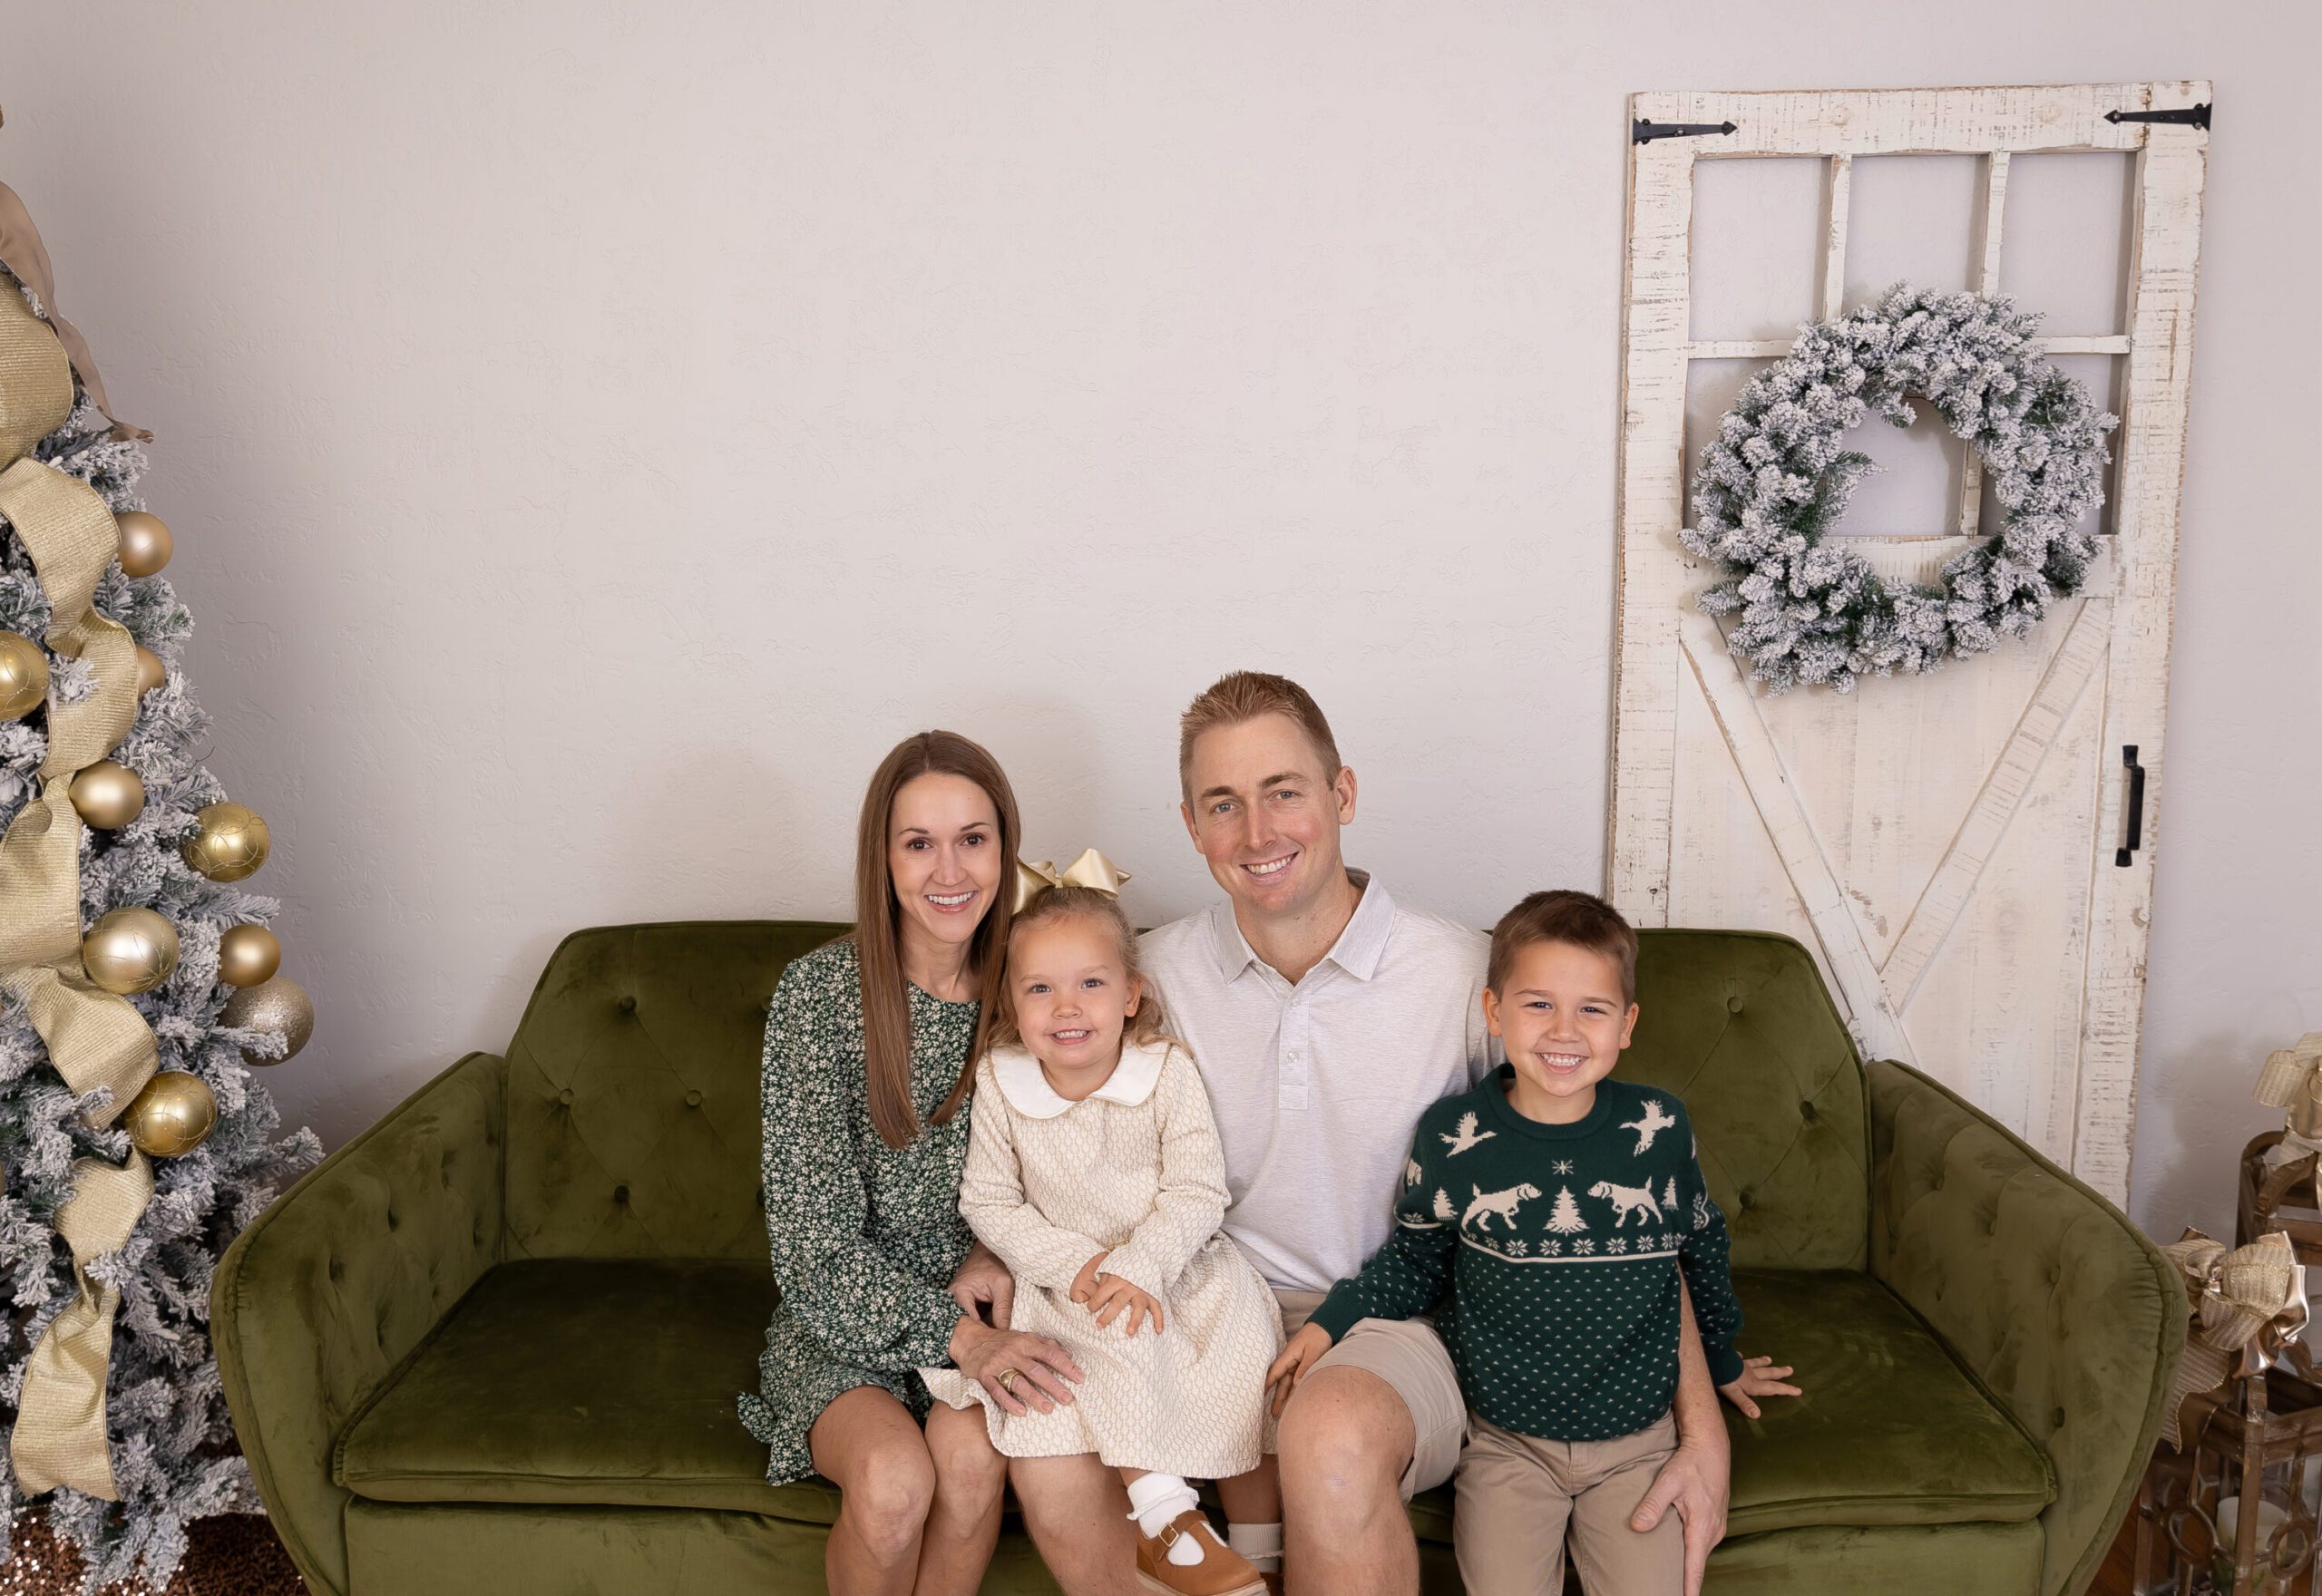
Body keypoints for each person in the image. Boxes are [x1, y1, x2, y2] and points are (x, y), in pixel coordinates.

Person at [1001, 671, 1743, 1596]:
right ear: (1191, 826)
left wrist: (1700, 1423)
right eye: (1223, 804)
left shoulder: (1469, 975)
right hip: (1191, 1307)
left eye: (1284, 791)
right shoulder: (1137, 978)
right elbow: (1033, 1131)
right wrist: (986, 1251)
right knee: (1048, 1449)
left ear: (1341, 793)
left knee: (1330, 1431)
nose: (1258, 831)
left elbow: (1611, 1200)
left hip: (1391, 1323)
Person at [1266, 890, 1800, 1595]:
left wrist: (1724, 1357)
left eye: (1593, 1009)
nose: (1565, 1031)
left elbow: (1698, 1245)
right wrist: (1331, 1324)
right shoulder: (1454, 1135)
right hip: (1504, 1447)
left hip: (1636, 1444)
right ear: (1494, 1011)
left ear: (1628, 1024)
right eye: (1539, 1003)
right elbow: (1415, 1258)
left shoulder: (1659, 1127)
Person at [738, 731, 1087, 1596]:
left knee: (971, 1471)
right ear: (882, 858)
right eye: (918, 843)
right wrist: (963, 1341)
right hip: (845, 1318)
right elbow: (814, 1254)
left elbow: (1084, 1160)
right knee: (897, 1487)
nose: (950, 871)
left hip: (987, 1307)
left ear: (1004, 848)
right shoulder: (818, 997)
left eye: (973, 839)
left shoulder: (1036, 989)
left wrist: (995, 1254)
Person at [923, 874, 1283, 1596]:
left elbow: (1196, 1187)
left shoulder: (1166, 1071)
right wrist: (1081, 1265)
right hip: (1069, 1282)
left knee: (1246, 1359)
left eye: (1090, 983)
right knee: (1108, 1345)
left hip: (1178, 1265)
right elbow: (990, 1203)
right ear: (1011, 1003)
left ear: (1130, 995)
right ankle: (1167, 1520)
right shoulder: (1002, 1081)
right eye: (1039, 990)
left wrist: (1143, 1262)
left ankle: (1259, 1557)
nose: (1066, 1008)